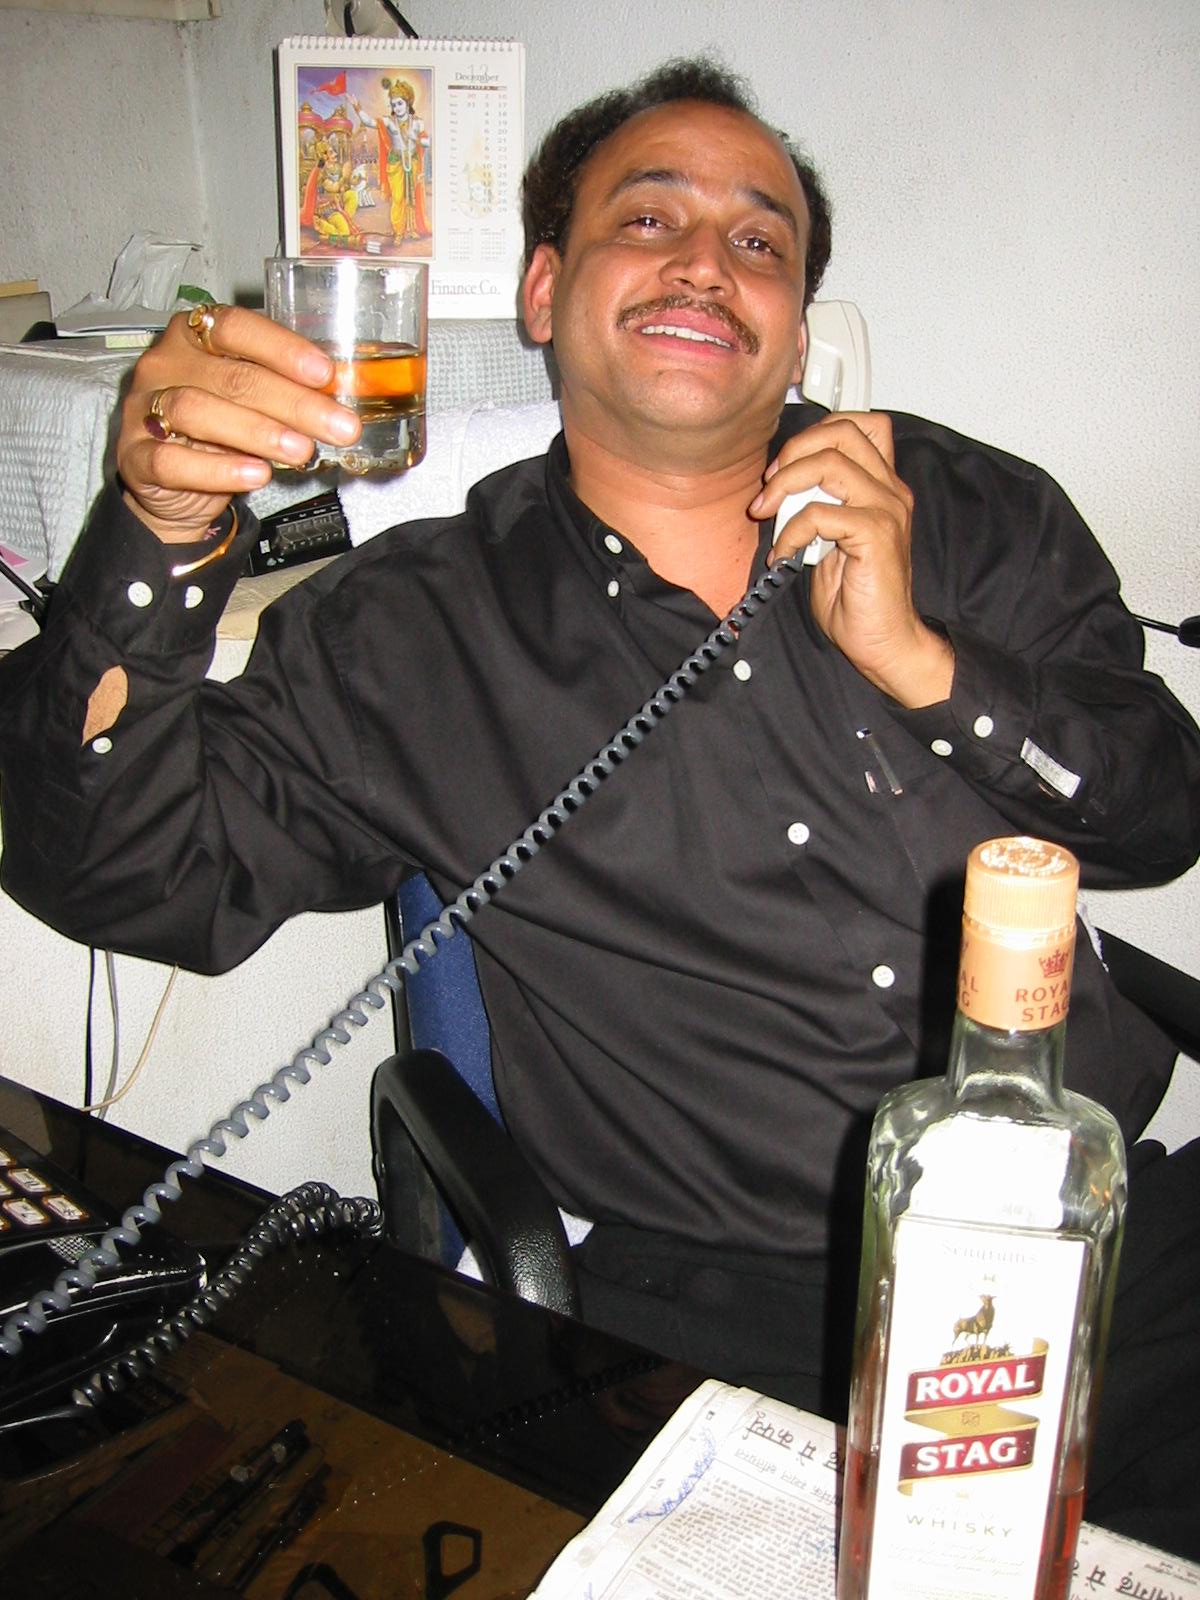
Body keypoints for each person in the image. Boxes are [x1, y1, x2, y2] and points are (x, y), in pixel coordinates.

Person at [1, 57, 1198, 1551]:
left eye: (760, 241)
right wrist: (159, 531)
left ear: (796, 327)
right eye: (649, 219)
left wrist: (926, 665)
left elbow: (1161, 812)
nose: (707, 261)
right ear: (544, 291)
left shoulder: (962, 506)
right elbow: (120, 876)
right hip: (751, 1328)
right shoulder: (414, 631)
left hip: (1110, 1253)